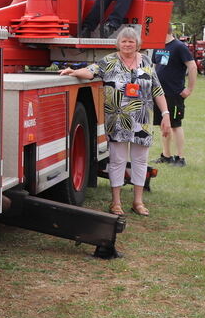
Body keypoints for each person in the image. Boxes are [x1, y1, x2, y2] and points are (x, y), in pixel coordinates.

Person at [60, 26, 172, 215]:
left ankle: (138, 202)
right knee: (118, 160)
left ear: (138, 44)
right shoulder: (109, 61)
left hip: (142, 120)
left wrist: (166, 114)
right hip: (117, 120)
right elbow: (91, 71)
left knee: (140, 160)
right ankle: (116, 202)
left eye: (131, 41)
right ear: (118, 43)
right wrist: (73, 72)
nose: (127, 44)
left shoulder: (145, 60)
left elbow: (157, 89)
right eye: (124, 41)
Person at [152, 28, 197, 166]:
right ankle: (166, 155)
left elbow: (192, 66)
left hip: (174, 93)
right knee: (163, 125)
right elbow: (155, 66)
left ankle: (180, 157)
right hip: (159, 94)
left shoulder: (179, 47)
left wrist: (189, 89)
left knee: (175, 126)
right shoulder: (157, 46)